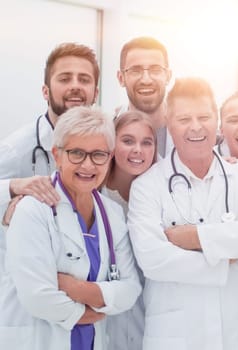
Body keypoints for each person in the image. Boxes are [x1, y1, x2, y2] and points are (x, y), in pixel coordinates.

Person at [127, 77, 238, 349]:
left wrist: (195, 238)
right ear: (167, 121)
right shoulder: (147, 186)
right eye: (184, 118)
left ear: (217, 121)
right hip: (176, 336)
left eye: (204, 116)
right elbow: (152, 258)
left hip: (237, 335)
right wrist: (228, 254)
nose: (196, 127)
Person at [0, 106, 141, 349]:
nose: (88, 165)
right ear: (57, 155)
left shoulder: (112, 214)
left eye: (98, 155)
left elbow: (130, 289)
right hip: (39, 339)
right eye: (77, 153)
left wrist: (75, 288)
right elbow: (38, 297)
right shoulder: (32, 210)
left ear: (110, 157)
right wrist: (89, 314)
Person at [0, 42, 100, 278]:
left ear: (95, 92)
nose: (75, 86)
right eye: (65, 79)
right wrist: (13, 187)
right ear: (46, 91)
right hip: (24, 288)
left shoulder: (102, 145)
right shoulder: (17, 149)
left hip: (81, 284)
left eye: (84, 79)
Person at [103, 110, 157, 350]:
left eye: (147, 142)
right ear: (112, 145)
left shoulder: (162, 191)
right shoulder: (95, 195)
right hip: (104, 316)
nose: (138, 149)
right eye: (128, 141)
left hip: (150, 314)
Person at [116, 36, 173, 157]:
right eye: (135, 70)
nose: (146, 80)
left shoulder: (192, 133)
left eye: (155, 70)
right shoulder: (107, 133)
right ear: (121, 78)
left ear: (168, 76)